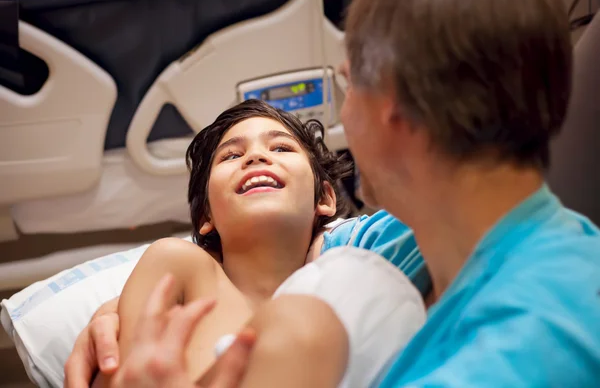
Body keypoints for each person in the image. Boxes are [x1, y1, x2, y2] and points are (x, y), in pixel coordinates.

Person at [66, 0, 600, 386]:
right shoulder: (396, 242)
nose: (257, 156)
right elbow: (270, 258)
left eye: (347, 86)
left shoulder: (534, 342)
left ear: (394, 108)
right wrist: (114, 315)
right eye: (233, 154)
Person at [87, 99, 428, 388]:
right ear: (207, 215)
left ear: (323, 198)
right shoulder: (181, 266)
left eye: (281, 148)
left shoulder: (350, 273)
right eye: (231, 156)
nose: (255, 157)